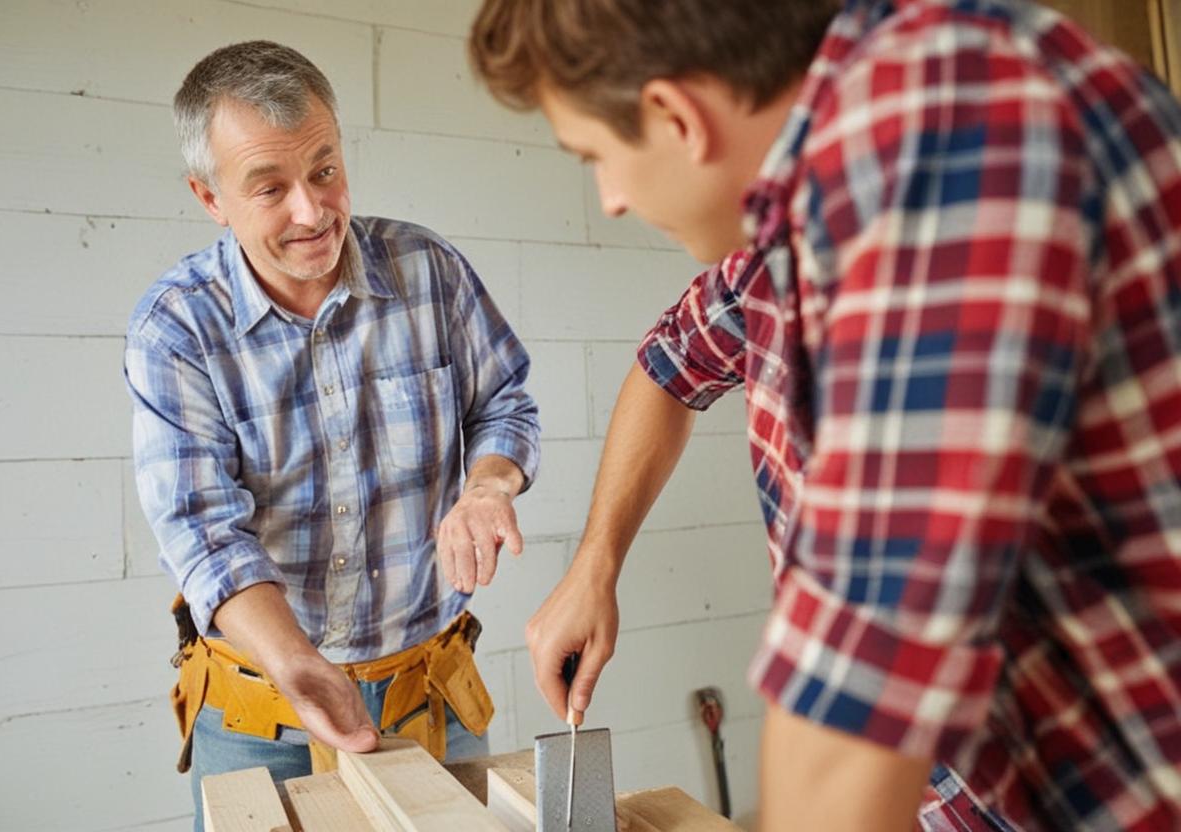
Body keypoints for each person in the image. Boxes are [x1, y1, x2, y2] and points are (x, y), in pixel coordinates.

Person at [469, 0, 1181, 829]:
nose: (613, 198)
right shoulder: (787, 228)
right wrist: (596, 562)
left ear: (675, 115)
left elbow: (865, 678)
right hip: (958, 792)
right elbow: (668, 368)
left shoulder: (959, 129)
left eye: (597, 156)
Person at [124, 40, 540, 826]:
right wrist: (297, 662)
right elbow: (204, 531)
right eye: (269, 187)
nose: (312, 212)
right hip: (264, 710)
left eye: (324, 170)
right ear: (210, 197)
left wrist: (488, 485)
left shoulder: (428, 270)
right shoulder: (175, 328)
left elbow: (505, 402)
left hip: (430, 692)